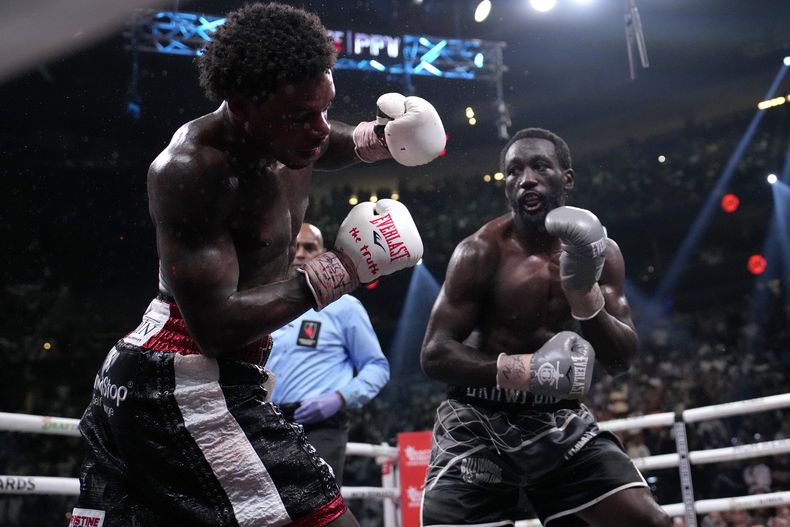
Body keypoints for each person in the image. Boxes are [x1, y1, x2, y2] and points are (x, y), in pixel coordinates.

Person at [71, 3, 442, 526]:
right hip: (181, 377)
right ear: (242, 106)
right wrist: (343, 271)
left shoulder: (288, 136)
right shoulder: (192, 169)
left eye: (325, 107)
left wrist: (379, 139)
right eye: (300, 117)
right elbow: (215, 327)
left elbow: (321, 139)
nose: (318, 129)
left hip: (206, 374)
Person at [419, 128, 671, 527]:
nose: (526, 179)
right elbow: (434, 353)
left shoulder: (601, 252)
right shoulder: (480, 251)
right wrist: (524, 371)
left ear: (566, 178)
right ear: (505, 186)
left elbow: (621, 358)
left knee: (648, 522)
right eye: (514, 171)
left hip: (556, 420)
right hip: (478, 419)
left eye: (539, 167)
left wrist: (584, 295)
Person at [268, 222, 390, 485]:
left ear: (322, 255)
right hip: (267, 422)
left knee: (317, 508)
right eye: (295, 246)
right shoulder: (265, 306)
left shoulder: (344, 307)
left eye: (309, 247)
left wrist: (339, 398)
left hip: (321, 425)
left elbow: (377, 367)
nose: (300, 253)